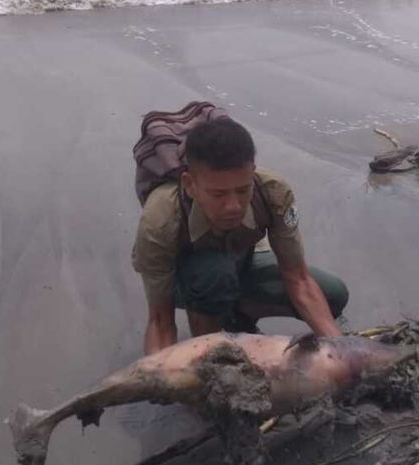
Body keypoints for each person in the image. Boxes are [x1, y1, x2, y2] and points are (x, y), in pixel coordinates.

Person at [131, 118, 349, 355]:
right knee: (212, 274)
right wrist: (159, 376)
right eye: (219, 194)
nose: (234, 206)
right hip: (188, 283)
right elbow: (161, 321)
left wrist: (343, 352)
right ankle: (210, 350)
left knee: (332, 294)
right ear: (190, 185)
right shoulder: (160, 220)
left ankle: (236, 317)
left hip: (240, 264)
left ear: (252, 174)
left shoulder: (273, 193)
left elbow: (299, 279)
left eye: (243, 190)